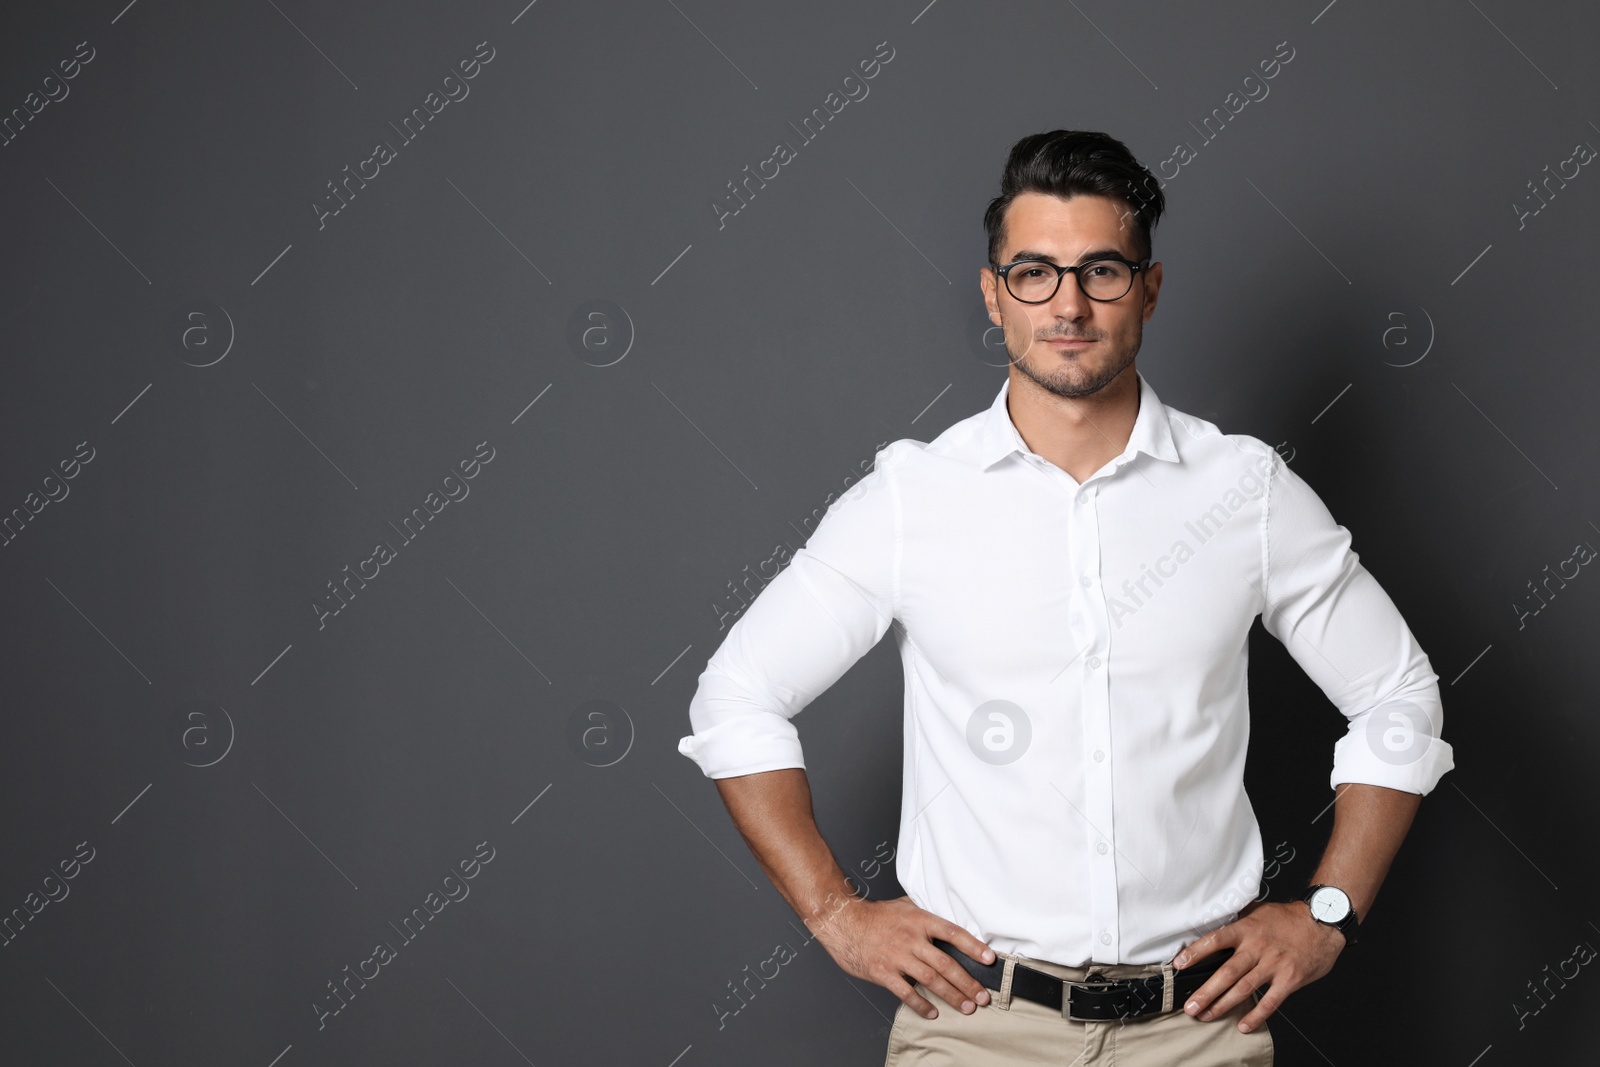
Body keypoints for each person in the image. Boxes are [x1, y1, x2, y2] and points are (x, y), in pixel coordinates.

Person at [677, 129, 1454, 1066]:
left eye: (1103, 271)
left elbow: (1398, 695)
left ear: (1151, 288)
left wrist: (1327, 913)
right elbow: (736, 697)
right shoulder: (912, 498)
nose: (1070, 304)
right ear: (994, 292)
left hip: (1197, 1031)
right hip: (975, 1030)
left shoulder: (1242, 491)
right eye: (1035, 272)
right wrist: (836, 912)